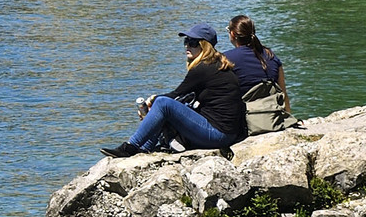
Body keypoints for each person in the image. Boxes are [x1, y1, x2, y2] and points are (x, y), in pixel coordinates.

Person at [103, 27, 246, 157]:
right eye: (186, 41)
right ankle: (145, 147)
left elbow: (175, 95)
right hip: (226, 132)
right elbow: (183, 97)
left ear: (205, 46)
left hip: (218, 134)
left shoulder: (203, 69)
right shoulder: (217, 63)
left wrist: (152, 101)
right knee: (168, 106)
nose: (187, 46)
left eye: (193, 43)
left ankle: (130, 147)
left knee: (163, 104)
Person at [224, 14, 288, 107]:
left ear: (233, 34)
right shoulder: (271, 56)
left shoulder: (226, 59)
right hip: (273, 116)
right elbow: (283, 94)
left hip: (246, 117)